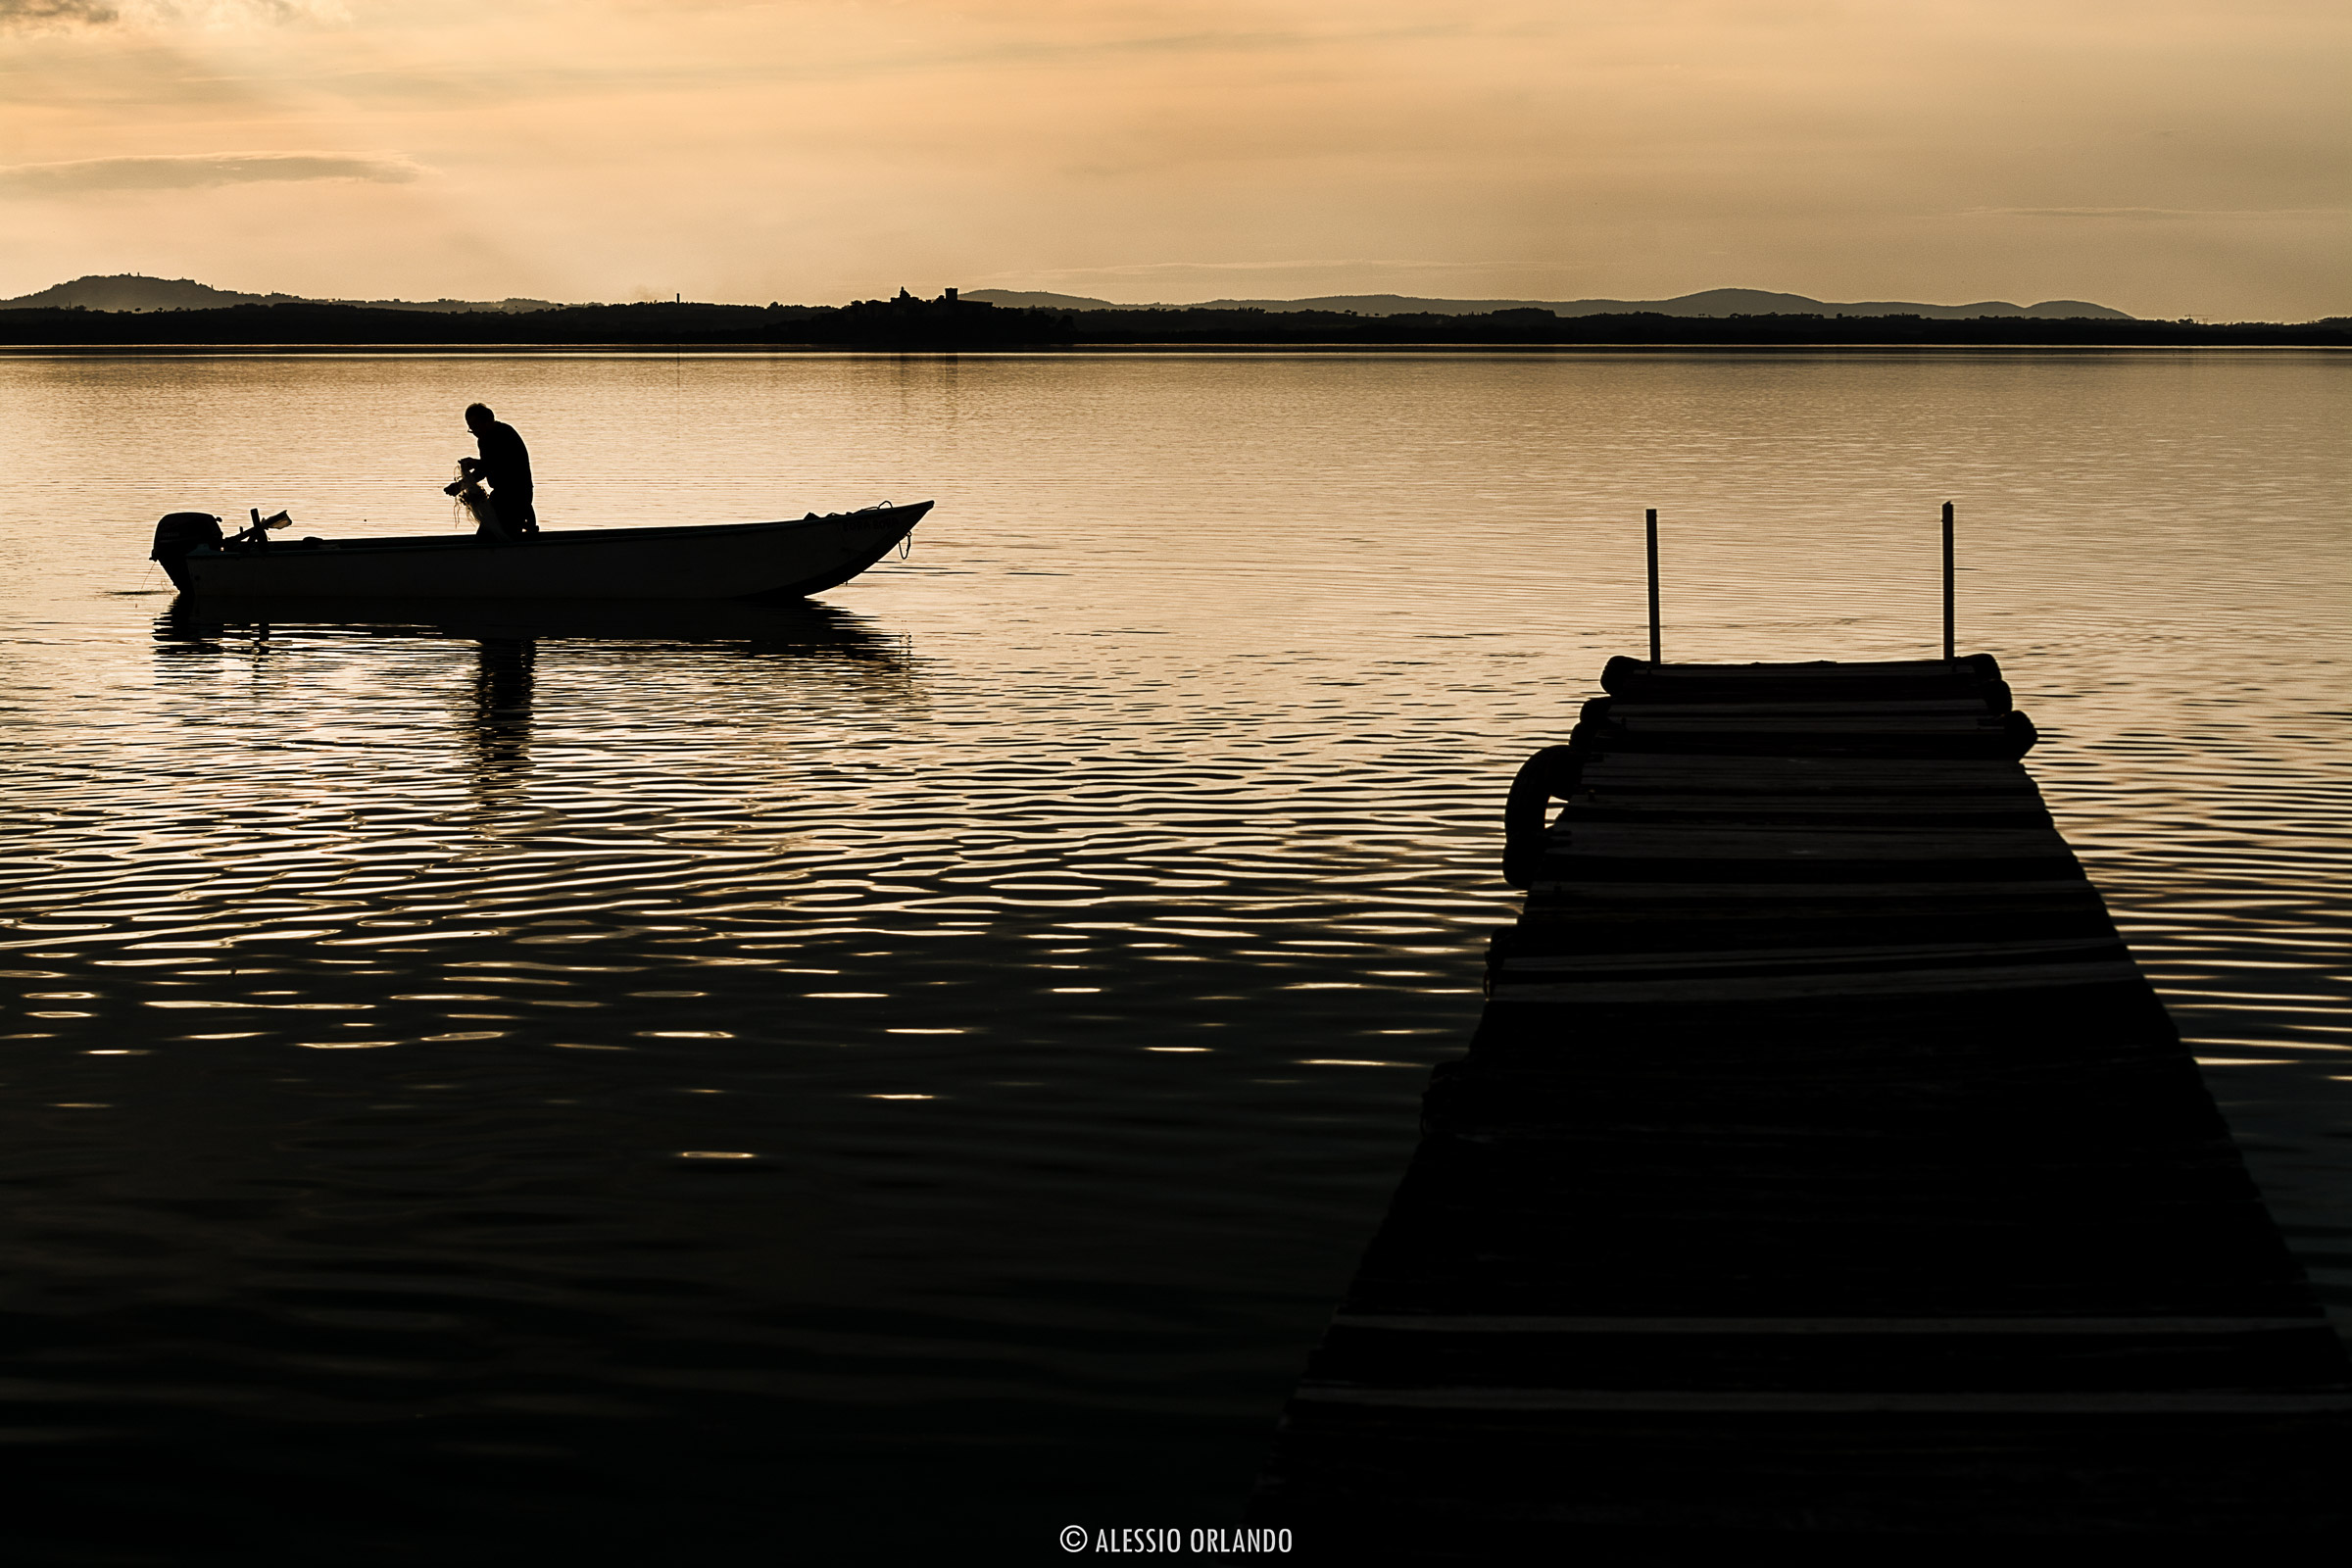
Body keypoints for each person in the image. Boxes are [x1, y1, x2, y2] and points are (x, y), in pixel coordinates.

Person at [458, 403, 538, 535]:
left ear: (488, 421)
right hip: (500, 495)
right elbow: (484, 470)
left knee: (493, 536)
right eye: (472, 429)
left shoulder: (505, 434)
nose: (475, 432)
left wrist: (476, 463)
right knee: (490, 534)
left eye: (476, 427)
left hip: (516, 495)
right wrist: (459, 486)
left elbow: (499, 464)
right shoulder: (483, 440)